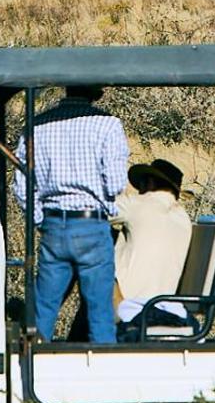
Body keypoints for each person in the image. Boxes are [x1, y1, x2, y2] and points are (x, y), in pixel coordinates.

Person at [13, 85, 130, 344]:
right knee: (99, 312)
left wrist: (41, 220)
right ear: (96, 93)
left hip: (54, 223)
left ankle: (34, 368)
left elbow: (22, 186)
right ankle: (100, 371)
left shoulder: (37, 125)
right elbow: (115, 183)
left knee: (43, 309)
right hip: (91, 224)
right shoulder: (107, 124)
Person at [113, 159, 194, 336]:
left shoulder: (136, 204)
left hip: (127, 304)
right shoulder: (183, 218)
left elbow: (97, 211)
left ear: (149, 182)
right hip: (166, 304)